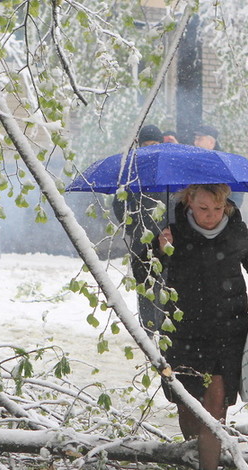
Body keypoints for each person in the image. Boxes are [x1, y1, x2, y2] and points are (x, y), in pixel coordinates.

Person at [141, 183, 248, 470]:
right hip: (183, 331)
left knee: (216, 405)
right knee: (188, 406)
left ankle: (208, 466)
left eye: (217, 208)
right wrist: (158, 249)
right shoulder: (173, 231)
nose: (211, 215)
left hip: (226, 332)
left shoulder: (234, 231)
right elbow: (143, 272)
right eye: (203, 208)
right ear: (189, 201)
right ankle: (196, 459)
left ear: (225, 204)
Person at [112, 124, 169, 335]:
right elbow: (119, 204)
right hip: (141, 239)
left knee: (166, 284)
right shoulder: (131, 172)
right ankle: (148, 330)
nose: (151, 149)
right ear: (140, 145)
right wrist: (134, 228)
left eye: (155, 145)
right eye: (147, 145)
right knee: (145, 286)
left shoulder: (167, 170)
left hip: (167, 239)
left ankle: (166, 329)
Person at [193, 124, 244, 208]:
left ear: (211, 142)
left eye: (200, 139)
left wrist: (228, 213)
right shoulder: (194, 161)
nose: (195, 143)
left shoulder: (225, 163)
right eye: (195, 139)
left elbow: (236, 193)